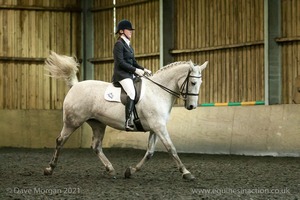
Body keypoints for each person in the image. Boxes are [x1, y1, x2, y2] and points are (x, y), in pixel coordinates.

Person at [112, 19, 151, 131]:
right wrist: (135, 70)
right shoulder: (118, 44)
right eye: (128, 30)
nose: (131, 32)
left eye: (131, 30)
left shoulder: (128, 45)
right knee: (132, 92)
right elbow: (120, 62)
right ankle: (128, 121)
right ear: (121, 31)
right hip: (121, 75)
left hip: (129, 74)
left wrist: (144, 69)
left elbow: (133, 62)